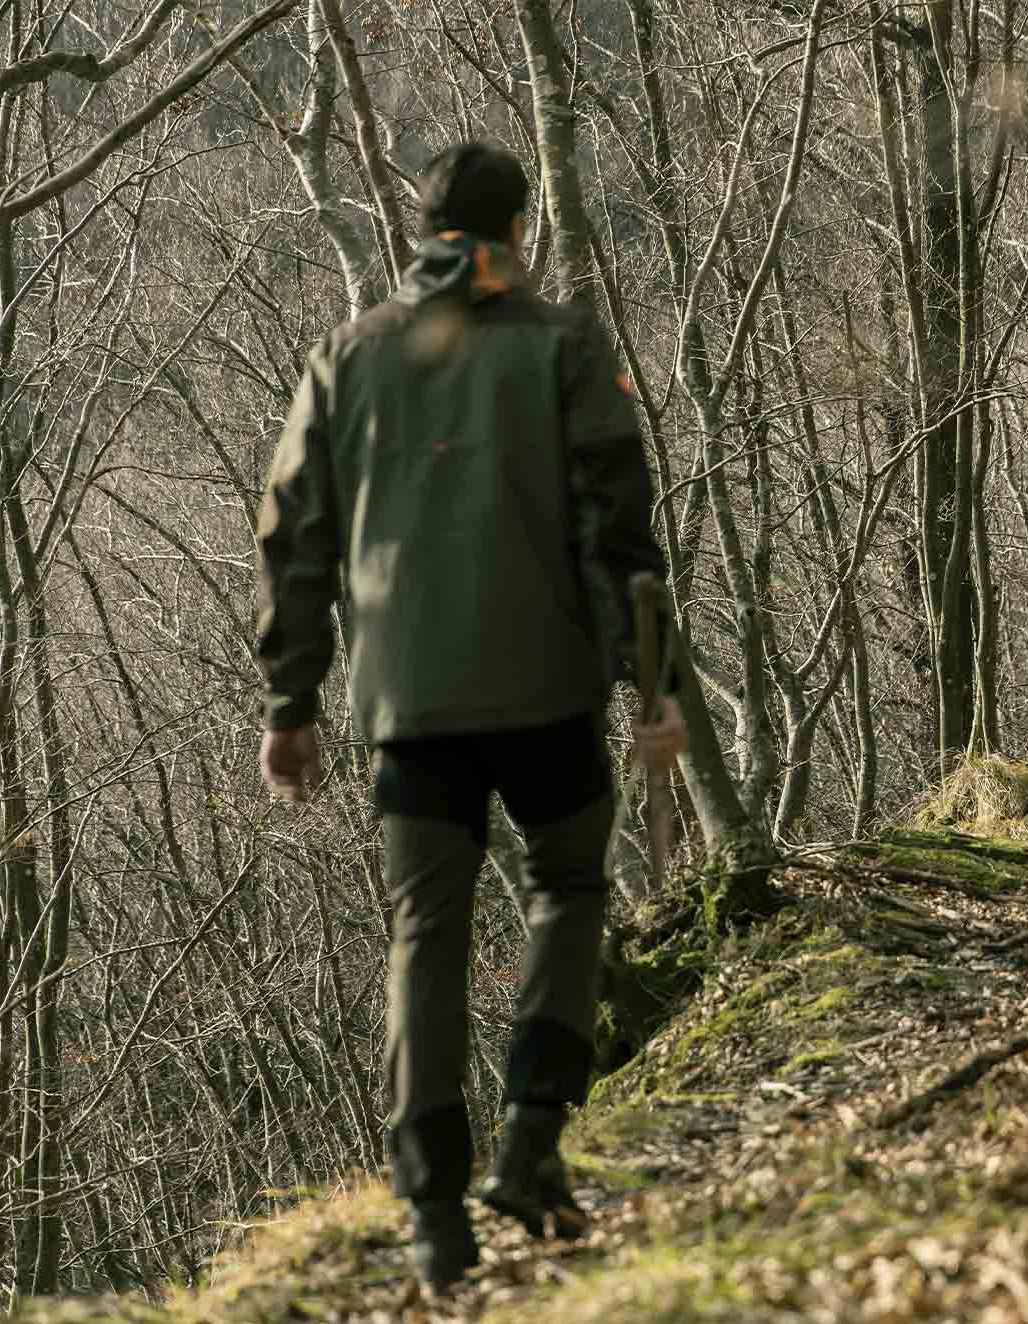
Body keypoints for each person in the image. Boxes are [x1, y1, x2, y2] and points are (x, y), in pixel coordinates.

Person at [252, 142, 685, 1294]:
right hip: (548, 685)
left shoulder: (348, 358)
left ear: (421, 229)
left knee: (425, 934)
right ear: (518, 228)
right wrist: (657, 685)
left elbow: (294, 535)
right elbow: (620, 532)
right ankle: (532, 1136)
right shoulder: (561, 344)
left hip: (408, 700)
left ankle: (434, 1210)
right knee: (569, 890)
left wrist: (290, 701)